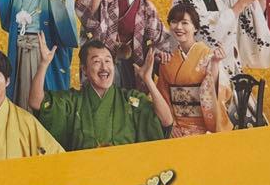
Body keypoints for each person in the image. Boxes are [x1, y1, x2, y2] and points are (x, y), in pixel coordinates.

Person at [30, 36, 172, 150]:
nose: (104, 67)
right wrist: (43, 65)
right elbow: (36, 103)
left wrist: (148, 80)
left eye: (108, 61)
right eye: (97, 61)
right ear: (84, 69)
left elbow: (165, 121)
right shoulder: (73, 101)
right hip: (84, 173)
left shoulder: (130, 99)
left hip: (125, 172)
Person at [75, 0, 173, 91]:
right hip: (103, 57)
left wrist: (162, 53)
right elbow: (91, 13)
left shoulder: (147, 7)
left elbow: (161, 37)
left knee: (127, 97)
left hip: (129, 60)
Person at [158, 2, 234, 137]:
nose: (179, 27)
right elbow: (163, 95)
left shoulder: (209, 56)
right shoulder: (167, 60)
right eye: (174, 22)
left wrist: (215, 64)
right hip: (177, 126)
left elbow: (220, 92)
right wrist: (171, 125)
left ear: (195, 28)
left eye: (185, 23)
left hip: (204, 125)